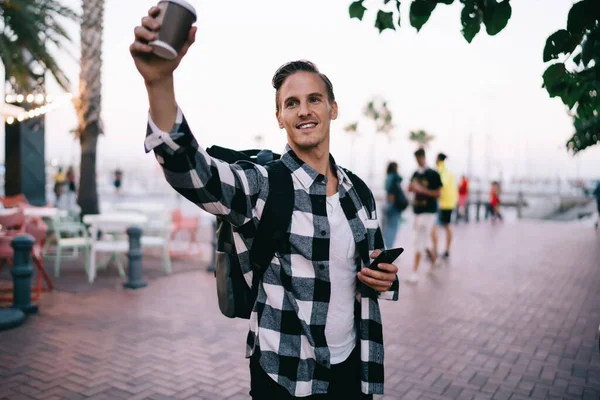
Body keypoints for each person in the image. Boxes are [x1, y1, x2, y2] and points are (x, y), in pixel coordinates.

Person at [130, 9, 399, 399]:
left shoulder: (359, 192)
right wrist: (159, 82)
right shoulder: (262, 185)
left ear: (332, 109)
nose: (304, 110)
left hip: (355, 370)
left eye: (314, 99)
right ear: (280, 118)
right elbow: (194, 172)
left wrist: (384, 278)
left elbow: (369, 268)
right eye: (292, 103)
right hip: (284, 373)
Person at [407, 148, 442, 283]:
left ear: (423, 157)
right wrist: (412, 188)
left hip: (428, 211)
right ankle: (434, 260)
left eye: (419, 158)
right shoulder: (416, 173)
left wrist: (422, 190)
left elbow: (438, 193)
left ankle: (415, 273)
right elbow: (410, 188)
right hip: (417, 211)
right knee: (422, 240)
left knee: (418, 240)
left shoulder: (433, 174)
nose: (417, 161)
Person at [432, 153, 458, 261]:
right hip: (450, 203)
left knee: (434, 227)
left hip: (443, 203)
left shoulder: (441, 170)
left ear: (438, 159)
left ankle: (435, 251)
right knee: (447, 226)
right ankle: (446, 250)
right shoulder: (447, 171)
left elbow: (441, 184)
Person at [382, 162, 406, 248]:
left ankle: (385, 247)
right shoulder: (395, 177)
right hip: (393, 206)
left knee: (386, 228)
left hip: (387, 205)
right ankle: (388, 248)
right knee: (392, 229)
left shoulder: (387, 178)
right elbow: (392, 193)